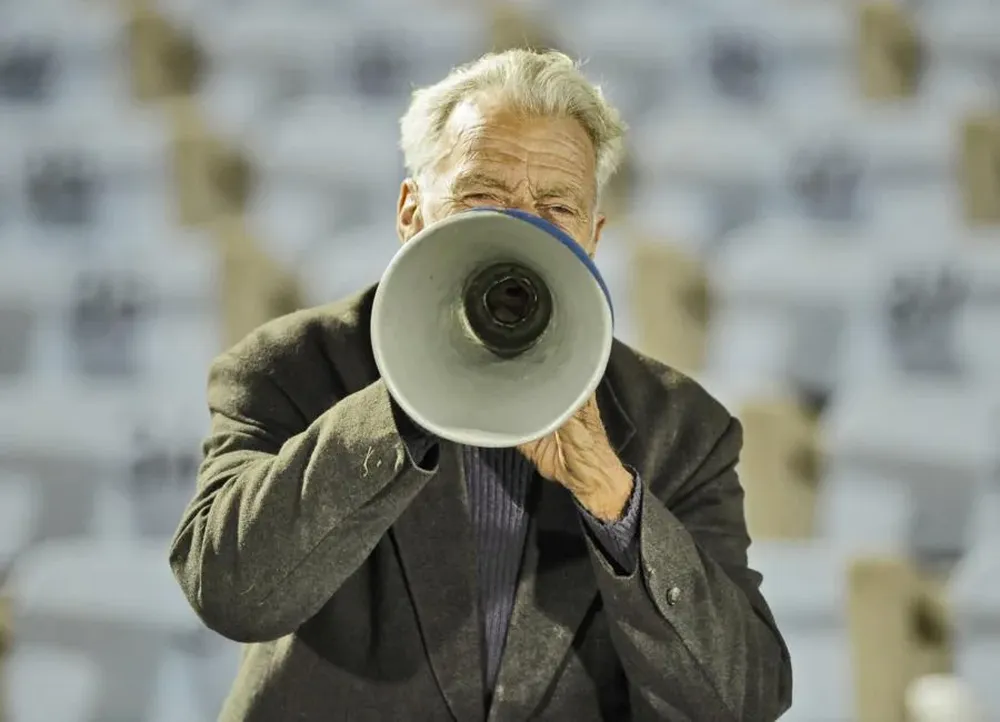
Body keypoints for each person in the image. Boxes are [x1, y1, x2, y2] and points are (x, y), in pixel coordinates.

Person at [169, 49, 792, 722]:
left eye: (556, 206)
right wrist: (408, 399)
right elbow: (231, 591)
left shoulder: (684, 428)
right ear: (411, 213)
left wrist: (615, 503)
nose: (518, 230)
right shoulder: (288, 365)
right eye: (483, 197)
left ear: (592, 236)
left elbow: (744, 699)